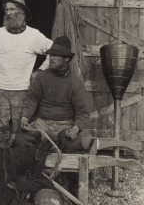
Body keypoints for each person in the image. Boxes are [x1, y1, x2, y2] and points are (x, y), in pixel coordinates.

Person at [0, 0, 53, 140]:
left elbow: (54, 51)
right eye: (6, 10)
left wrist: (40, 71)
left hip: (23, 93)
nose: (8, 13)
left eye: (12, 9)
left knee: (21, 135)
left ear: (22, 12)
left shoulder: (34, 36)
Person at [18, 35, 90, 196]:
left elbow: (83, 111)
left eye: (56, 55)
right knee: (21, 140)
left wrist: (76, 127)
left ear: (66, 58)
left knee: (73, 145)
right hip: (42, 123)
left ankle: (74, 186)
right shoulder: (42, 77)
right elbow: (31, 100)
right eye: (51, 55)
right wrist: (25, 117)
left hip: (64, 124)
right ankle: (25, 185)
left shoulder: (75, 82)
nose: (51, 58)